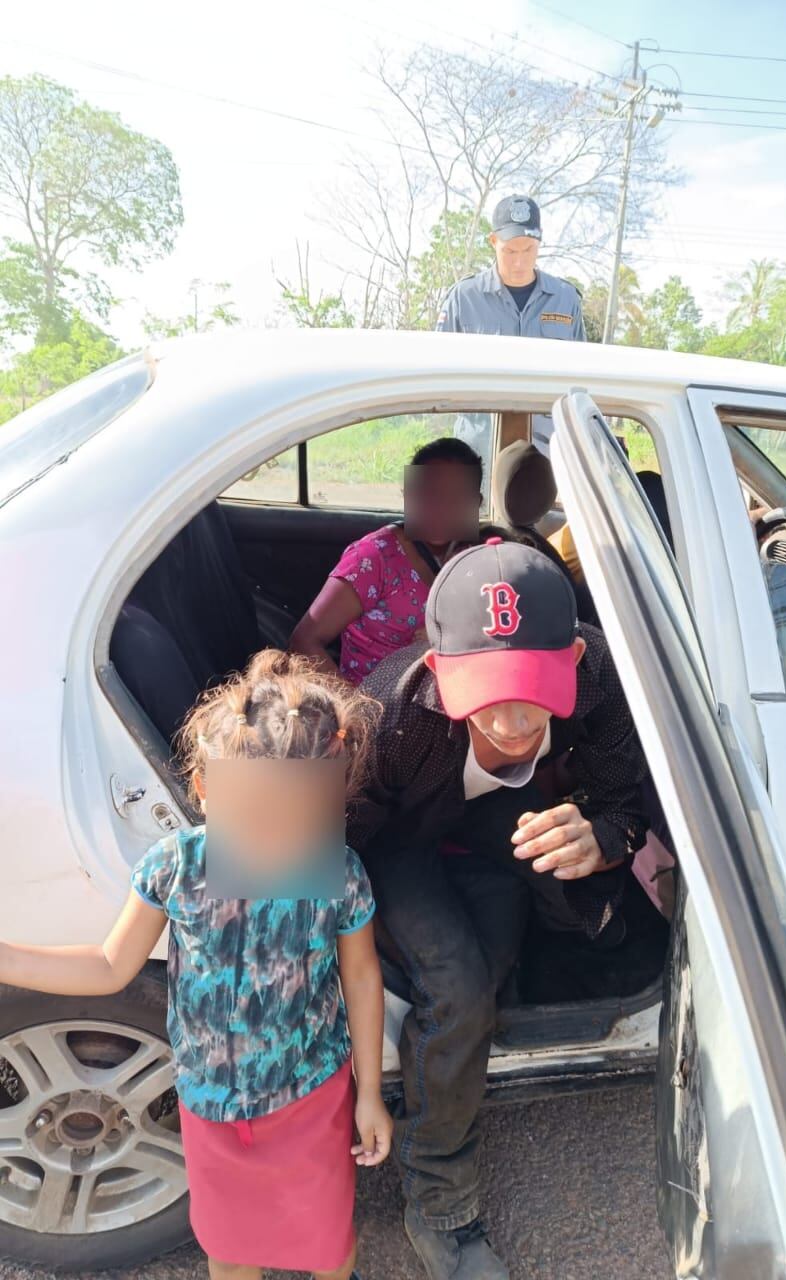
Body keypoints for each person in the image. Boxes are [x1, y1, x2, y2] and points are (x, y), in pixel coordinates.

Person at [0, 650, 392, 1280]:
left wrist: (369, 1094)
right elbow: (109, 966)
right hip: (208, 1102)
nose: (276, 840)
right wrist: (9, 957)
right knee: (229, 1242)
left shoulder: (336, 872)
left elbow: (362, 975)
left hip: (310, 1097)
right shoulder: (174, 867)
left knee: (324, 1236)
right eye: (255, 816)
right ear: (206, 789)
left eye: (298, 820)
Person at [348, 539, 648, 1279]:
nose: (513, 721)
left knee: (505, 961)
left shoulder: (605, 680)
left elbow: (623, 808)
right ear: (439, 667)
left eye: (533, 686)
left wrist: (602, 841)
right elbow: (345, 847)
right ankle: (442, 1202)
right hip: (402, 835)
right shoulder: (389, 716)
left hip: (509, 816)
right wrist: (359, 944)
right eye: (486, 690)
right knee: (457, 990)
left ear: (573, 661)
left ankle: (468, 1042)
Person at [290, 438, 484, 683]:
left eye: (456, 497)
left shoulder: (478, 557)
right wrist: (359, 713)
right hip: (375, 706)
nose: (442, 508)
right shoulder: (374, 558)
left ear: (475, 504)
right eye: (431, 494)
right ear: (409, 495)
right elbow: (304, 641)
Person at [437, 194, 586, 454]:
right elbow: (436, 376)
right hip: (477, 451)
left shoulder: (565, 299)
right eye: (510, 251)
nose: (519, 262)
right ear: (493, 242)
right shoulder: (464, 299)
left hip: (547, 455)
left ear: (540, 241)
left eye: (528, 250)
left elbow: (580, 383)